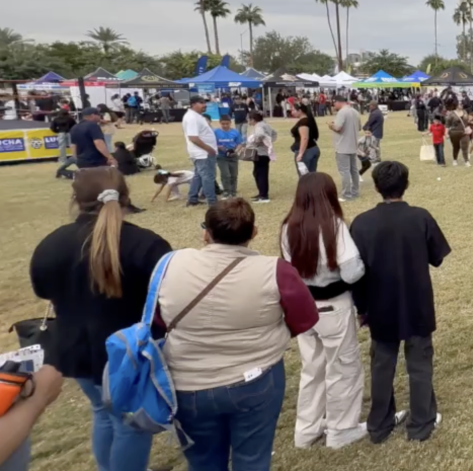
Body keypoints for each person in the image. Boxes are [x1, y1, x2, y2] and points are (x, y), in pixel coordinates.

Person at [29, 168, 172, 471]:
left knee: (104, 414)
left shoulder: (51, 244)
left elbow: (42, 290)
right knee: (129, 424)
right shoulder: (146, 244)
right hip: (128, 353)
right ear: (125, 195)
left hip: (74, 348)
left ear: (75, 199)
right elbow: (168, 299)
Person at [160, 199, 318, 471]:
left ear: (205, 233)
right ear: (254, 232)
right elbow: (305, 318)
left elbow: (156, 320)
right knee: (253, 458)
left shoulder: (171, 264)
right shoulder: (275, 270)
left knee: (203, 461)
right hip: (255, 379)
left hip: (188, 385)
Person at [349, 161, 448, 442]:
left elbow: (354, 271)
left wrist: (361, 307)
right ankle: (421, 422)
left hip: (378, 305)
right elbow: (437, 256)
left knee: (381, 363)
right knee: (419, 362)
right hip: (415, 302)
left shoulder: (362, 222)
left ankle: (379, 424)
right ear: (406, 185)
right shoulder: (421, 217)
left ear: (377, 187)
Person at [279, 173, 366, 449]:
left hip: (304, 309)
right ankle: (342, 429)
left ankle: (306, 430)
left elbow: (290, 268)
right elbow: (352, 272)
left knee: (312, 368)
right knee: (343, 367)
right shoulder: (335, 226)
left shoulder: (287, 227)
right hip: (334, 306)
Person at [182, 95, 220, 207]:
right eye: (201, 103)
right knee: (208, 177)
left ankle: (192, 198)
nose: (205, 105)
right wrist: (209, 149)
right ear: (193, 104)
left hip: (201, 153)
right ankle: (212, 202)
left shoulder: (197, 116)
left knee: (198, 176)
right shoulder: (192, 118)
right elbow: (193, 137)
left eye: (205, 102)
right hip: (203, 154)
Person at [57, 107, 114, 180]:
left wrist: (76, 158)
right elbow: (98, 143)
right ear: (93, 115)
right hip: (95, 160)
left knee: (88, 176)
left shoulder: (75, 127)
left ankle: (66, 172)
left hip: (82, 161)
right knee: (105, 176)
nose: (100, 117)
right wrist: (110, 157)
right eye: (99, 115)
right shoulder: (93, 126)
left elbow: (73, 145)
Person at [329, 95, 362, 200]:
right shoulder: (355, 111)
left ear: (339, 102)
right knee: (354, 170)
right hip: (353, 145)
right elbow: (360, 127)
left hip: (343, 146)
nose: (334, 105)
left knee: (345, 171)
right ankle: (355, 191)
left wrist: (331, 126)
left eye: (334, 103)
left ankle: (346, 194)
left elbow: (338, 127)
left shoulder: (342, 112)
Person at [245, 112, 276, 203]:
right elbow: (274, 134)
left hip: (260, 153)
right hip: (265, 152)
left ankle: (263, 196)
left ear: (253, 119)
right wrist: (269, 142)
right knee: (258, 173)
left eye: (248, 119)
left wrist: (256, 143)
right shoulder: (265, 124)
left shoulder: (259, 126)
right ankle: (262, 193)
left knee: (260, 174)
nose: (248, 121)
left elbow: (260, 135)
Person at [213, 115, 243, 198]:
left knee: (234, 175)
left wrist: (236, 151)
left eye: (227, 124)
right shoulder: (216, 132)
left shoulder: (235, 132)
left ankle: (233, 191)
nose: (225, 125)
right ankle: (226, 191)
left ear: (230, 123)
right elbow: (212, 143)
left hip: (233, 156)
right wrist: (219, 147)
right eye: (223, 124)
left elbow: (239, 143)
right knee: (225, 174)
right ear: (220, 123)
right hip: (221, 156)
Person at [291, 103, 321, 174]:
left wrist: (301, 153)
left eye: (293, 110)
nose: (292, 112)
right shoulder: (309, 120)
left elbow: (304, 138)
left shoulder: (303, 122)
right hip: (313, 148)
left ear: (300, 111)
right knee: (312, 175)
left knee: (304, 177)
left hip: (306, 151)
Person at [444, 100, 470, 167]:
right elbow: (447, 125)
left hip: (464, 132)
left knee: (465, 147)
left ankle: (466, 161)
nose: (461, 105)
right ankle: (455, 160)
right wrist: (446, 133)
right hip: (454, 132)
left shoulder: (465, 112)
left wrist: (469, 128)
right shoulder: (451, 114)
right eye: (460, 104)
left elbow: (467, 122)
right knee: (456, 147)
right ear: (456, 105)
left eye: (462, 104)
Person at [362, 101, 385, 171]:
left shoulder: (374, 113)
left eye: (370, 106)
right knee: (376, 146)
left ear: (373, 106)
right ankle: (378, 159)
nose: (369, 107)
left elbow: (370, 122)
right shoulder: (379, 112)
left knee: (372, 147)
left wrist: (364, 127)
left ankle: (374, 161)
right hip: (378, 132)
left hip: (374, 132)